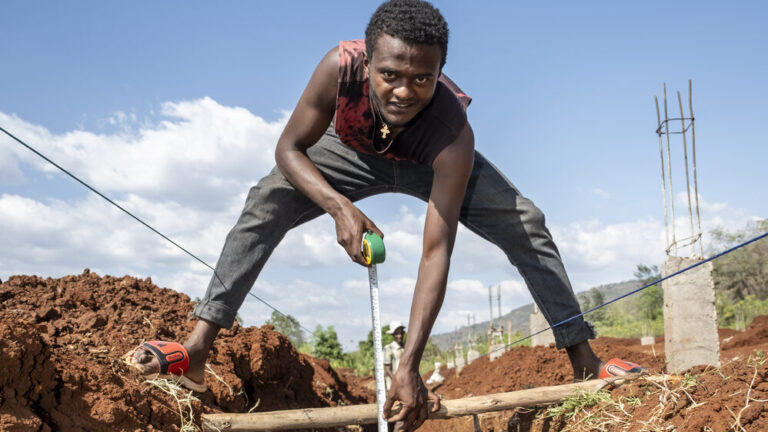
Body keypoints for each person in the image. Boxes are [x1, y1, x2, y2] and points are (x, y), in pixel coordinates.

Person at [128, 1, 643, 430]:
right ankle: (197, 347)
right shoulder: (338, 66)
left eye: (422, 78)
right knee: (264, 202)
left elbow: (435, 252)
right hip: (349, 153)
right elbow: (288, 148)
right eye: (390, 74)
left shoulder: (452, 132)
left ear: (439, 73)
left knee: (527, 223)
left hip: (425, 164)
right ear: (367, 62)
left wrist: (410, 366)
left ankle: (583, 360)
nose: (403, 91)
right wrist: (339, 207)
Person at [384, 321, 406, 391]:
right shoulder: (389, 348)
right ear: (393, 335)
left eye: (401, 333)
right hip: (394, 383)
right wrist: (396, 381)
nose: (400, 336)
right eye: (397, 333)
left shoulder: (406, 347)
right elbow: (387, 368)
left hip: (406, 382)